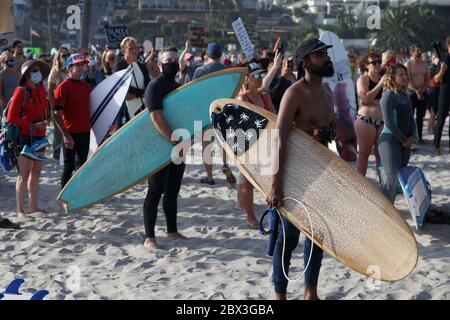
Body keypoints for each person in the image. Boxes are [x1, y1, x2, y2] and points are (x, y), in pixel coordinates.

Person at [267, 39, 337, 300]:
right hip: (294, 173)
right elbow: (279, 137)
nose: (326, 58)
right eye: (320, 55)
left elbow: (330, 128)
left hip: (320, 172)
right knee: (288, 238)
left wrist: (330, 130)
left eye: (326, 54)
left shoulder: (327, 91)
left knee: (316, 234)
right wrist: (275, 183)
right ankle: (280, 295)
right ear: (306, 62)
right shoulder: (294, 93)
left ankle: (310, 291)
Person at [143, 47, 188, 250]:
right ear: (159, 64)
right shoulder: (155, 86)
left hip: (178, 144)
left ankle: (171, 230)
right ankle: (149, 237)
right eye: (167, 60)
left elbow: (187, 115)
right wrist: (173, 140)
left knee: (172, 190)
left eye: (174, 59)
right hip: (160, 145)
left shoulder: (177, 87)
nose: (172, 62)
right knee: (156, 190)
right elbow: (156, 117)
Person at [6, 59, 51, 220]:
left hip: (40, 136)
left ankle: (33, 207)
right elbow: (11, 117)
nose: (38, 74)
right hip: (24, 136)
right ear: (26, 75)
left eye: (39, 71)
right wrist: (31, 125)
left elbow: (44, 108)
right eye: (34, 71)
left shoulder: (40, 89)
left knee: (36, 172)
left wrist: (44, 122)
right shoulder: (20, 91)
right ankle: (20, 211)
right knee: (23, 174)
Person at [236, 61, 276, 229]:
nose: (260, 78)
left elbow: (274, 115)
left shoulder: (264, 95)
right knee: (247, 184)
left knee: (270, 183)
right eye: (256, 76)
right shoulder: (242, 98)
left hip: (266, 143)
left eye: (262, 75)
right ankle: (250, 217)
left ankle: (272, 215)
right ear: (247, 78)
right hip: (248, 145)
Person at [193, 42, 235, 185]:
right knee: (223, 143)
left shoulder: (200, 71)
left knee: (207, 146)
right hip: (223, 111)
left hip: (205, 113)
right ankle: (225, 164)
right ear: (221, 54)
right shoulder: (227, 70)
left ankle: (210, 177)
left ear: (207, 54)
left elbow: (194, 94)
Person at [53, 54, 92, 189]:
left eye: (83, 65)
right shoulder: (62, 87)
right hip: (70, 133)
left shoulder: (86, 86)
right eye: (78, 65)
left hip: (85, 132)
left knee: (82, 166)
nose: (81, 68)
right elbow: (56, 113)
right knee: (68, 166)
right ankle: (64, 197)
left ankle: (78, 194)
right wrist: (65, 135)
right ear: (70, 68)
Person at [379, 64, 415, 203]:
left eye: (405, 74)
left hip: (405, 142)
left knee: (398, 178)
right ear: (392, 78)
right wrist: (403, 139)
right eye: (400, 74)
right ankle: (385, 213)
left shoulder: (406, 95)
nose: (404, 77)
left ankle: (390, 210)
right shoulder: (388, 96)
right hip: (389, 141)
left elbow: (412, 118)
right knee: (391, 178)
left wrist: (413, 137)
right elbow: (388, 122)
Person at [355, 52, 387, 178]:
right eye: (374, 62)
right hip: (366, 120)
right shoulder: (363, 79)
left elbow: (386, 100)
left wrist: (371, 100)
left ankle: (382, 183)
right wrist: (379, 85)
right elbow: (364, 98)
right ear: (366, 65)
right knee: (363, 153)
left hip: (381, 121)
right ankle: (360, 184)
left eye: (379, 61)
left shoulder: (383, 79)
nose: (377, 64)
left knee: (381, 154)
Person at [113, 37, 151, 128]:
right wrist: (141, 93)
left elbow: (148, 85)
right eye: (130, 48)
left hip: (143, 106)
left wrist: (137, 94)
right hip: (125, 109)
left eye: (136, 48)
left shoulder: (142, 66)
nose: (134, 51)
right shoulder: (119, 66)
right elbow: (124, 87)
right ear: (124, 50)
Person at [405, 44, 430, 144]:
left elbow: (427, 79)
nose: (419, 53)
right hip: (411, 92)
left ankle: (419, 136)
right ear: (412, 52)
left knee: (420, 116)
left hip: (423, 91)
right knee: (410, 116)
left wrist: (422, 90)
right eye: (417, 51)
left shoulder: (424, 64)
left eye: (420, 51)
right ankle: (411, 137)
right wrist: (416, 91)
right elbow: (408, 80)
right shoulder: (409, 64)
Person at [48, 48, 69, 160]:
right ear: (58, 58)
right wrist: (53, 107)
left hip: (68, 104)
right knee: (58, 131)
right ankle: (57, 155)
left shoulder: (69, 69)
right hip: (58, 104)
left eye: (67, 55)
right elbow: (50, 90)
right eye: (63, 56)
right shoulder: (55, 71)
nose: (65, 58)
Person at [433, 36, 450, 155]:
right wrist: (442, 71)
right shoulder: (445, 58)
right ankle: (437, 145)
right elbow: (436, 79)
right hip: (445, 90)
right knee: (441, 118)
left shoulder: (444, 57)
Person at [427, 52, 441, 135]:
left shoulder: (430, 67)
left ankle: (430, 129)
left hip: (431, 90)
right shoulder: (435, 68)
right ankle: (430, 130)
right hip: (434, 90)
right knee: (433, 112)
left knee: (433, 112)